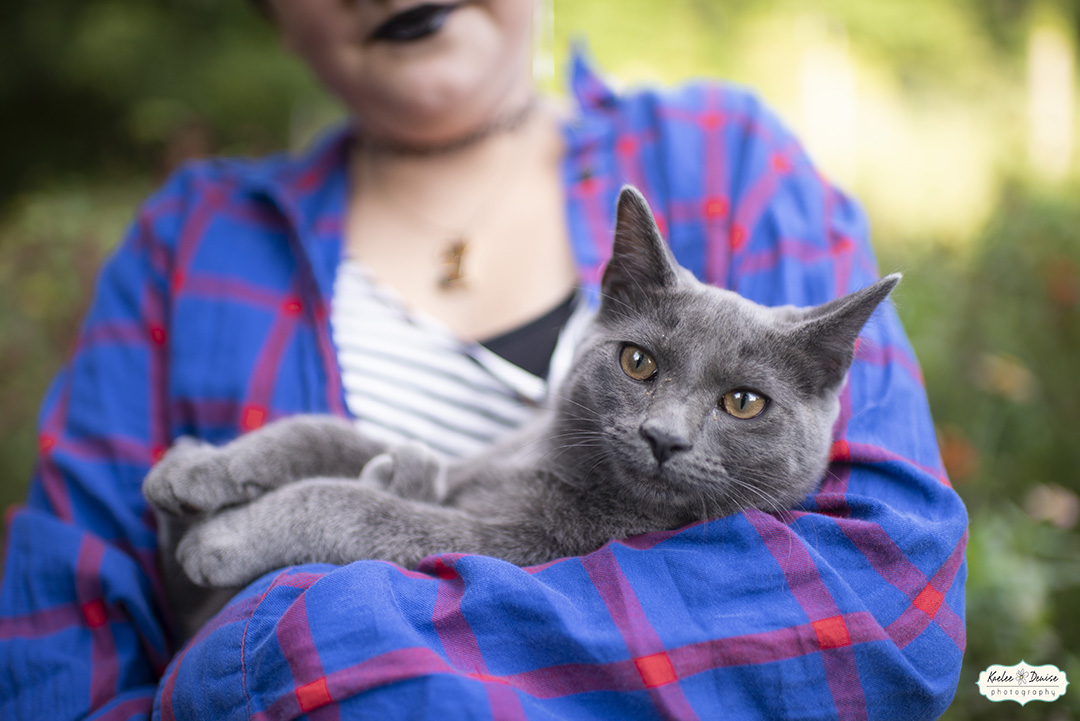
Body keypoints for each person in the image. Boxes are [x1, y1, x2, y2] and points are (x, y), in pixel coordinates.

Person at [0, 1, 968, 719]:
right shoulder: (195, 235)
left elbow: (881, 599)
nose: (672, 424)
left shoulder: (728, 157)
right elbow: (58, 618)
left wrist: (306, 651)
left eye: (742, 402)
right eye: (639, 366)